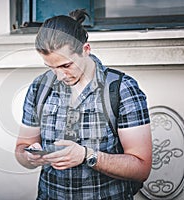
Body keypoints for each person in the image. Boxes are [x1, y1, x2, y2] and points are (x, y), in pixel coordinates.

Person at [15, 9, 152, 200]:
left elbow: (141, 168)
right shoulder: (40, 87)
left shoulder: (122, 89)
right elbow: (22, 148)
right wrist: (30, 157)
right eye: (51, 68)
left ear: (85, 49)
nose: (60, 76)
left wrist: (87, 156)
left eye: (66, 65)